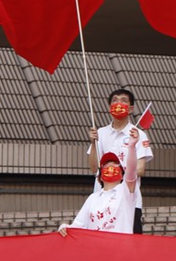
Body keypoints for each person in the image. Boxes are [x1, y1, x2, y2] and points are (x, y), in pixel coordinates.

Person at [87, 89, 153, 233]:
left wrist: (117, 174)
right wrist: (93, 143)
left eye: (123, 100)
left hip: (129, 201)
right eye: (115, 100)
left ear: (131, 108)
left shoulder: (138, 134)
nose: (118, 103)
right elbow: (94, 168)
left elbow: (140, 169)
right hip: (102, 201)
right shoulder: (101, 134)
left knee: (130, 245)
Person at [60, 127, 139, 235]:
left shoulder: (126, 192)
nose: (111, 167)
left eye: (115, 165)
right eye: (106, 165)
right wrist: (64, 227)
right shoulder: (93, 198)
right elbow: (77, 226)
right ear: (100, 176)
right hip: (97, 249)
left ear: (122, 175)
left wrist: (132, 147)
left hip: (121, 248)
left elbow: (131, 170)